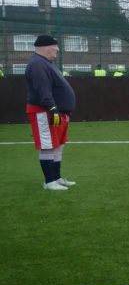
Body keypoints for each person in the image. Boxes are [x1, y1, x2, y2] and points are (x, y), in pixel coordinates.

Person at [25, 35, 77, 191]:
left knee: (58, 145)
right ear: (45, 47)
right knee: (48, 145)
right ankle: (49, 181)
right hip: (44, 111)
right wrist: (53, 108)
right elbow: (43, 90)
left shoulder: (46, 63)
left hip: (56, 112)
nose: (57, 49)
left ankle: (56, 178)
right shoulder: (37, 64)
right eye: (55, 46)